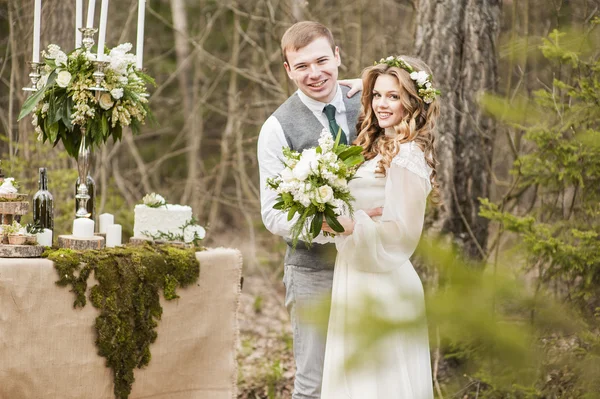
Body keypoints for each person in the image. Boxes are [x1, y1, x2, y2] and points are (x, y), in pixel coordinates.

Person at [257, 21, 380, 399]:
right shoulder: (276, 129)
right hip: (313, 270)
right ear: (287, 70)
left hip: (372, 264)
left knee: (368, 376)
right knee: (314, 383)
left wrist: (373, 78)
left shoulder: (371, 103)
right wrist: (332, 225)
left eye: (322, 60)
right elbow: (273, 214)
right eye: (302, 66)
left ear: (338, 56)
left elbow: (422, 83)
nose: (315, 73)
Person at [321, 55, 440, 398]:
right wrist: (369, 84)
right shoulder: (376, 145)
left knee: (379, 383)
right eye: (377, 95)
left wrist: (346, 225)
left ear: (413, 103)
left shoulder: (407, 156)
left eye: (394, 96)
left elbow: (401, 234)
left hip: (384, 279)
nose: (382, 103)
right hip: (357, 272)